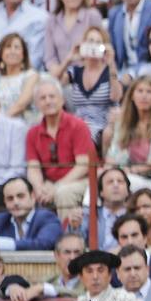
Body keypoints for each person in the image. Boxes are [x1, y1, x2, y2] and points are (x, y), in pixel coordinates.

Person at [26, 76, 91, 219]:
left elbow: (83, 166)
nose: (48, 101)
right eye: (42, 98)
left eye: (52, 96)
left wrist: (57, 187)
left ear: (62, 100)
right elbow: (33, 168)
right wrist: (39, 188)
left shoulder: (78, 126)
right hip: (50, 182)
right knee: (29, 194)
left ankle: (68, 239)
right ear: (36, 104)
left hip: (80, 180)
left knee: (63, 193)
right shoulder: (33, 133)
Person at [0, 174, 57, 251]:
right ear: (4, 202)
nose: (15, 202)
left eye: (20, 196)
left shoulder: (47, 217)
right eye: (10, 198)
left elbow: (43, 244)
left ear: (33, 197)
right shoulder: (1, 220)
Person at [43, 0, 102, 77]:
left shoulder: (92, 16)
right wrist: (60, 71)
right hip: (60, 75)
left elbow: (100, 49)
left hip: (88, 75)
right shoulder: (52, 20)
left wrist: (73, 74)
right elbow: (50, 58)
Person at [7, 231, 85, 301]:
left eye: (77, 252)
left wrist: (44, 289)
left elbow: (81, 294)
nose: (72, 257)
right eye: (67, 252)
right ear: (57, 256)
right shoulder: (49, 280)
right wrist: (13, 287)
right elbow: (27, 287)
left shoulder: (90, 281)